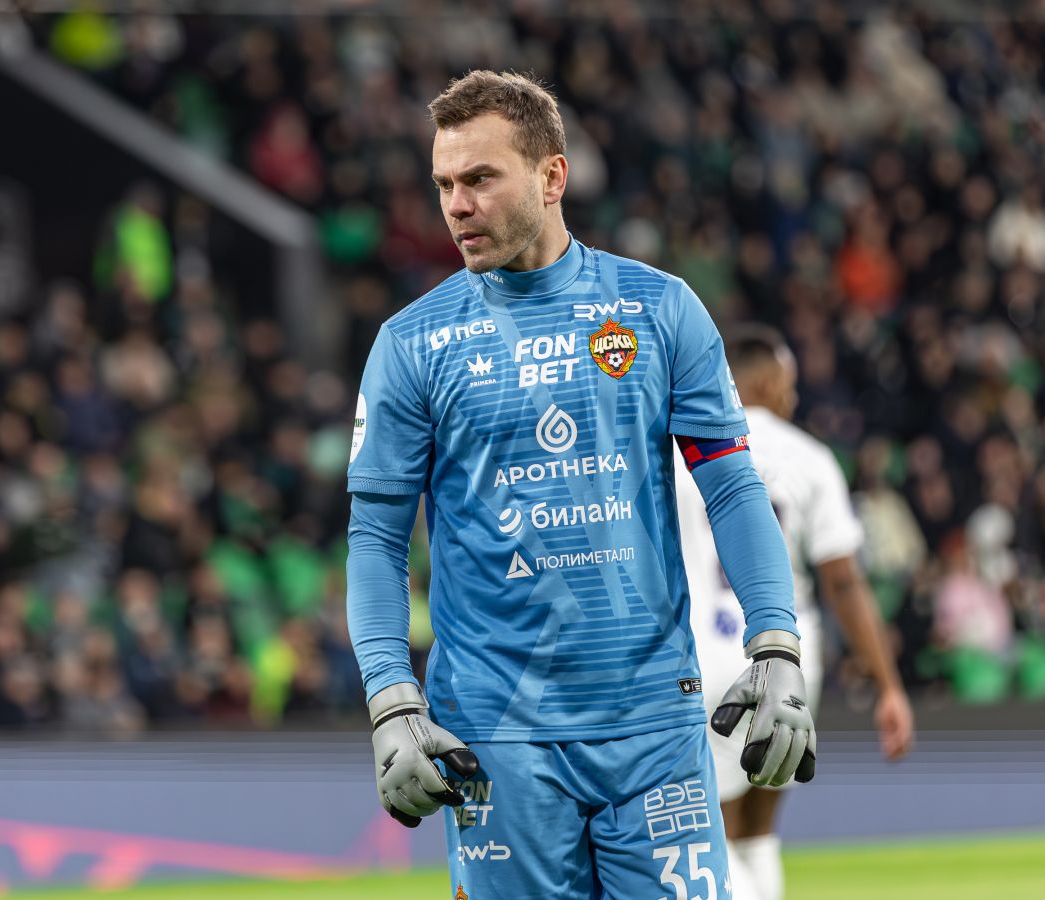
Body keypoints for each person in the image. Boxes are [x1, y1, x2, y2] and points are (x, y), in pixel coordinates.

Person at [345, 70, 816, 899]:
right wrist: (391, 699)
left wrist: (775, 643)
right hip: (496, 735)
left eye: (480, 178)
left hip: (655, 722)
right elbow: (377, 539)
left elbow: (734, 490)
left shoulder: (659, 310)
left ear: (552, 176)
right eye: (444, 185)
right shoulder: (411, 344)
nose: (457, 206)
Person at [676, 325, 915, 900]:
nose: (794, 396)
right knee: (759, 831)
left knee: (716, 832)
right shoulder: (810, 456)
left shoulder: (678, 451)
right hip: (788, 659)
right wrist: (888, 685)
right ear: (763, 381)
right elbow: (844, 581)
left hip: (701, 654)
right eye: (788, 384)